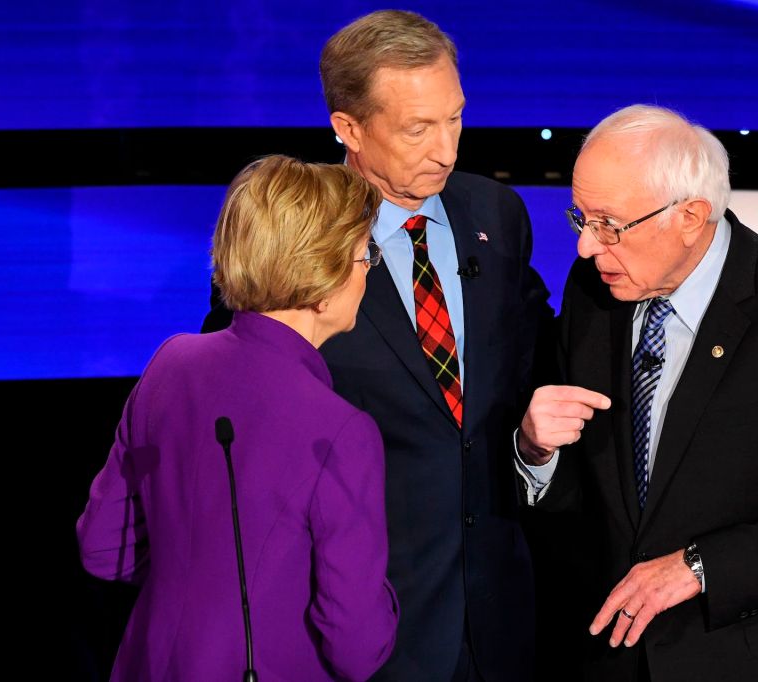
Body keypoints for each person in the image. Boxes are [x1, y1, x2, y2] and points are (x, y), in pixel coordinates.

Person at [201, 11, 551, 682]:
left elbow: (525, 371)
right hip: (361, 626)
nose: (447, 150)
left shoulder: (495, 216)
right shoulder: (291, 238)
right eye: (418, 129)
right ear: (349, 129)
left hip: (500, 615)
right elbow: (234, 415)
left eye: (455, 119)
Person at [517, 105, 758, 681]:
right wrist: (535, 452)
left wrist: (700, 566)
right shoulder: (594, 291)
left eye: (609, 224)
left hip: (757, 660)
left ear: (691, 217)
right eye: (580, 218)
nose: (585, 248)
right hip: (616, 657)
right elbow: (599, 492)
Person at [77, 155, 398, 681]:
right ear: (323, 276)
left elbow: (103, 546)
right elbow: (355, 649)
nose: (368, 275)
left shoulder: (171, 363)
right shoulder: (342, 432)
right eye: (366, 257)